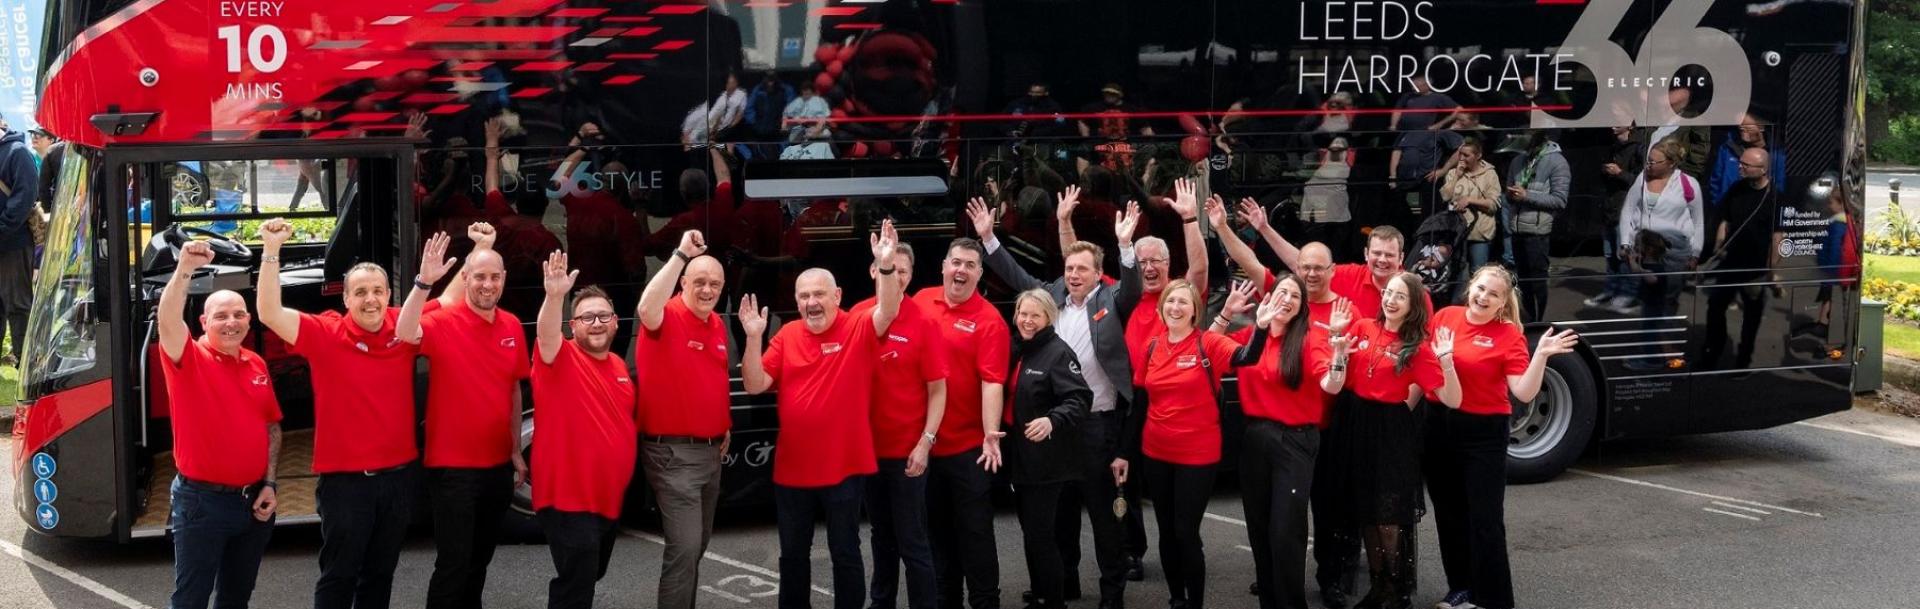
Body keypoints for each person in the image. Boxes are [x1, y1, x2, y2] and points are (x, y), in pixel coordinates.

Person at [976, 187, 1140, 609]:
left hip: (1098, 424)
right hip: (1055, 427)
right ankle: (1063, 584)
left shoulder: (1112, 300)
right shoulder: (1052, 296)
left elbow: (1133, 287)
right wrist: (989, 239)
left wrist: (1125, 246)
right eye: (1069, 268)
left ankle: (1112, 595)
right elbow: (1017, 279)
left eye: (1083, 269)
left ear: (1099, 273)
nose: (1074, 275)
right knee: (1061, 514)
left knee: (1103, 516)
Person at [257, 219, 426, 609]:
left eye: (378, 291)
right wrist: (271, 249)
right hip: (347, 485)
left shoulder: (404, 327)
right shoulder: (325, 333)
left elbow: (451, 301)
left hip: (398, 480)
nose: (371, 300)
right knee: (339, 575)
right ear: (346, 299)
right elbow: (268, 312)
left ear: (389, 296)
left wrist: (477, 250)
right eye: (360, 292)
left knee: (380, 575)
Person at [741, 221, 907, 609]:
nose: (811, 302)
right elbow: (754, 383)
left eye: (818, 294)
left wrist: (885, 265)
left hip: (844, 466)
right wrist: (753, 337)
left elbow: (888, 309)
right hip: (793, 469)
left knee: (845, 550)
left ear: (837, 296)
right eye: (804, 296)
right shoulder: (787, 334)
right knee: (792, 555)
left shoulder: (857, 326)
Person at [1425, 266, 1578, 609]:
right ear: (1470, 287)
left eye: (1493, 294)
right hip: (1439, 425)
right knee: (1449, 514)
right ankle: (1460, 589)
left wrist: (1541, 356)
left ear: (1502, 302)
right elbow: (1426, 365)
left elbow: (1523, 392)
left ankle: (1493, 600)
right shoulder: (1445, 317)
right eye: (1481, 288)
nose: (1483, 297)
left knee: (1485, 519)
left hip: (1483, 432)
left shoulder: (1508, 335)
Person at [397, 223, 529, 609]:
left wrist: (515, 450)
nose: (487, 284)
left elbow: (513, 389)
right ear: (466, 278)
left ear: (503, 279)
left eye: (494, 277)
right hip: (453, 469)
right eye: (479, 276)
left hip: (497, 466)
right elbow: (404, 333)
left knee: (479, 560)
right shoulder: (443, 321)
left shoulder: (512, 325)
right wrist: (424, 282)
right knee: (453, 564)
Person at [1116, 278, 1264, 609]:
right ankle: (1176, 598)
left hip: (1197, 455)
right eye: (1170, 301)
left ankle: (1194, 602)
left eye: (1183, 302)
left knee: (1185, 532)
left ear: (1195, 310)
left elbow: (1247, 356)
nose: (1175, 307)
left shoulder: (1208, 342)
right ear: (1161, 308)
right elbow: (1140, 404)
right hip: (1156, 452)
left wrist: (1263, 326)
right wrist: (1124, 453)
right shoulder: (1152, 346)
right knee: (1167, 531)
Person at [1318, 272, 1460, 609]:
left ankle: (1396, 591)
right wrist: (1337, 341)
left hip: (1391, 430)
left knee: (1388, 514)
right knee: (1366, 511)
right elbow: (1338, 376)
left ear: (1413, 306)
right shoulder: (1362, 327)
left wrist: (1447, 362)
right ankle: (1379, 586)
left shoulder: (1418, 348)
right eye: (1388, 293)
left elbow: (1452, 399)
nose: (1390, 300)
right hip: (1355, 423)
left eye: (1400, 296)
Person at [158, 241, 282, 609]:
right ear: (204, 322)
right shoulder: (188, 357)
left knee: (236, 597)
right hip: (202, 503)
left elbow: (271, 427)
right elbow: (168, 319)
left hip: (253, 502)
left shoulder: (256, 363)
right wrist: (185, 269)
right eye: (221, 316)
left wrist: (270, 483)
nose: (231, 323)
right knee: (191, 599)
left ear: (249, 320)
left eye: (239, 315)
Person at [1208, 274, 1332, 609]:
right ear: (1268, 298)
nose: (1287, 300)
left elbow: (1330, 380)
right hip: (1255, 438)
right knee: (1259, 528)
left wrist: (1337, 364)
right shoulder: (1252, 335)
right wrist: (1226, 313)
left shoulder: (1311, 339)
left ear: (1302, 306)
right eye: (1281, 292)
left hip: (1296, 441)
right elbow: (1208, 345)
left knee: (1285, 531)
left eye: (1295, 296)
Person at [531, 252, 639, 609]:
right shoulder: (559, 357)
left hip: (606, 499)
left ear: (616, 323)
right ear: (572, 326)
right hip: (567, 499)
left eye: (603, 316)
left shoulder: (619, 365)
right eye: (587, 317)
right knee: (576, 586)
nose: (596, 323)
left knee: (589, 575)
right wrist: (554, 296)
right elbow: (546, 334)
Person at [633, 229, 733, 609]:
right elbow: (646, 308)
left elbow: (711, 376)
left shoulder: (716, 323)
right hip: (673, 454)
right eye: (700, 282)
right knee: (686, 548)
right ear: (683, 284)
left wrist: (723, 422)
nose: (707, 290)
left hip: (709, 453)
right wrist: (680, 255)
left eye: (715, 284)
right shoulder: (667, 315)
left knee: (696, 545)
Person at [912, 237, 1011, 609]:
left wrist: (990, 434)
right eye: (956, 262)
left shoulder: (989, 320)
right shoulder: (921, 301)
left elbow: (992, 382)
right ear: (943, 266)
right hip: (925, 446)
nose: (961, 270)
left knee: (975, 535)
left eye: (970, 265)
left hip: (969, 450)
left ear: (980, 273)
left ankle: (985, 602)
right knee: (935, 535)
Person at [857, 242, 948, 609]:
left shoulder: (924, 322)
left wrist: (925, 443)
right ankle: (882, 603)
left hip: (908, 453)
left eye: (903, 270)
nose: (895, 275)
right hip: (867, 453)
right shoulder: (858, 316)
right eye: (887, 267)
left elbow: (938, 390)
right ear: (873, 271)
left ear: (910, 277)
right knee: (881, 536)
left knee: (912, 539)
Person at [1004, 289, 1093, 609]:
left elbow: (1080, 398)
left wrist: (1052, 420)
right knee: (1031, 532)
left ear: (1048, 318)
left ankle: (1054, 600)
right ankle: (1040, 591)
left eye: (1035, 315)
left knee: (1041, 535)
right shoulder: (1018, 348)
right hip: (1020, 457)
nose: (1027, 321)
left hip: (1047, 462)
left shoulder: (1057, 353)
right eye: (1022, 313)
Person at [1702, 148, 1784, 370]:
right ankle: (1712, 353)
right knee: (1715, 307)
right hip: (1731, 262)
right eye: (1741, 162)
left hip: (1755, 268)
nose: (1740, 167)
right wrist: (1719, 245)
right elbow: (1725, 220)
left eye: (1746, 165)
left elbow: (1778, 237)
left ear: (1763, 169)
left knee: (1751, 316)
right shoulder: (1737, 188)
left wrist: (1771, 270)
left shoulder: (1775, 198)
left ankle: (1743, 360)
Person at [1618, 138, 1705, 322]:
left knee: (1668, 298)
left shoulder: (1689, 184)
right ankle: (1652, 330)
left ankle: (1663, 330)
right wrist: (1625, 243)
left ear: (1671, 163)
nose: (1648, 165)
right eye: (1648, 160)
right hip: (1644, 251)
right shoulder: (1641, 178)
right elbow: (1628, 211)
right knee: (1648, 298)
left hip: (1674, 254)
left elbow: (1698, 222)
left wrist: (1695, 254)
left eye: (1653, 162)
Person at [1505, 130, 1569, 322]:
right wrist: (1510, 195)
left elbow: (1560, 200)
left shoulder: (1557, 162)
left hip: (1537, 233)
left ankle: (1540, 320)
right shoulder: (1517, 161)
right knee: (1523, 281)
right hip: (1517, 230)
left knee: (1537, 282)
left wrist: (1527, 196)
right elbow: (1509, 192)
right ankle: (1527, 320)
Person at [1585, 126, 1648, 313]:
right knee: (1610, 255)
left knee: (1626, 255)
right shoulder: (1613, 147)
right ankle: (1611, 290)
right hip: (1610, 208)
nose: (1612, 124)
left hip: (1627, 210)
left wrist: (1619, 173)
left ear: (1630, 124)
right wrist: (1606, 172)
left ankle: (1629, 293)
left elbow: (1644, 182)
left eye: (1618, 119)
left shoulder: (1640, 147)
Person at [0, 122, 35, 366]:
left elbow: (24, 197)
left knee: (18, 305)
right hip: (8, 237)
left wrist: (2, 228)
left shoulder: (17, 152)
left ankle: (25, 362)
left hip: (14, 242)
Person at [1440, 139, 1502, 276]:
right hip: (1457, 233)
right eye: (1460, 154)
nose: (1461, 159)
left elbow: (1493, 205)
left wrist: (1469, 200)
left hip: (1479, 234)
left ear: (1478, 155)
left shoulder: (1490, 174)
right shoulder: (1453, 173)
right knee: (1456, 274)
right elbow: (1445, 197)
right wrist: (1456, 176)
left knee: (1477, 273)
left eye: (1466, 155)